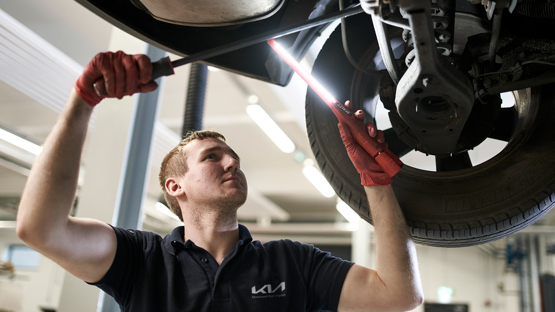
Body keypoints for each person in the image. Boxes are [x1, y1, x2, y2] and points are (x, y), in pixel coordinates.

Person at [16, 51, 423, 311]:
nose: (232, 161)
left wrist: (375, 182)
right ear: (176, 187)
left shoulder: (290, 262)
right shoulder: (141, 260)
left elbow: (398, 295)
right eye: (212, 157)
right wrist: (82, 103)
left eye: (234, 157)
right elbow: (40, 229)